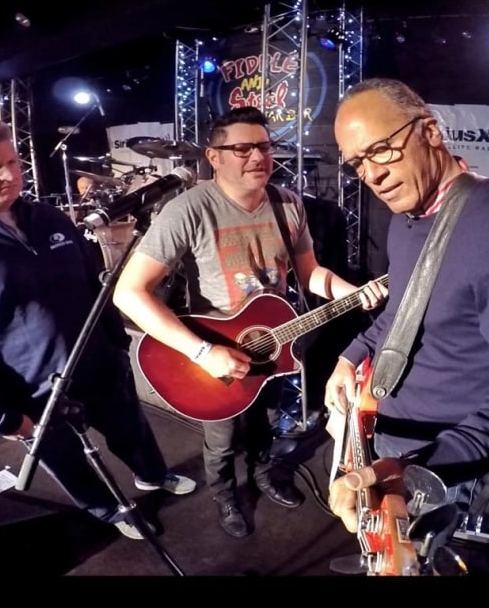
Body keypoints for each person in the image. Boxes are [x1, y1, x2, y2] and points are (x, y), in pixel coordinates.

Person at [0, 119, 196, 541]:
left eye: (13, 161)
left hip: (99, 365)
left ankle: (152, 475)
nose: (9, 175)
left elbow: (92, 283)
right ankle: (107, 508)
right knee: (68, 458)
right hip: (29, 394)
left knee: (131, 428)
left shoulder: (47, 217)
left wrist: (116, 345)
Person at [324, 78, 489, 570]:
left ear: (430, 132)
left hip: (452, 465)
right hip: (390, 439)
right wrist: (348, 358)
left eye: (382, 151)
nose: (372, 174)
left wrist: (418, 470)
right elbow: (402, 315)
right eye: (358, 164)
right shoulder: (407, 214)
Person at [113, 106, 387, 538]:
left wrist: (349, 292)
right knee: (221, 440)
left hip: (272, 338)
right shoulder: (187, 209)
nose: (257, 156)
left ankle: (262, 473)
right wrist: (203, 352)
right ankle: (224, 494)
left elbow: (310, 271)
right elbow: (128, 292)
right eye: (242, 148)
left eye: (263, 146)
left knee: (263, 421)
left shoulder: (287, 203)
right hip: (208, 352)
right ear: (214, 156)